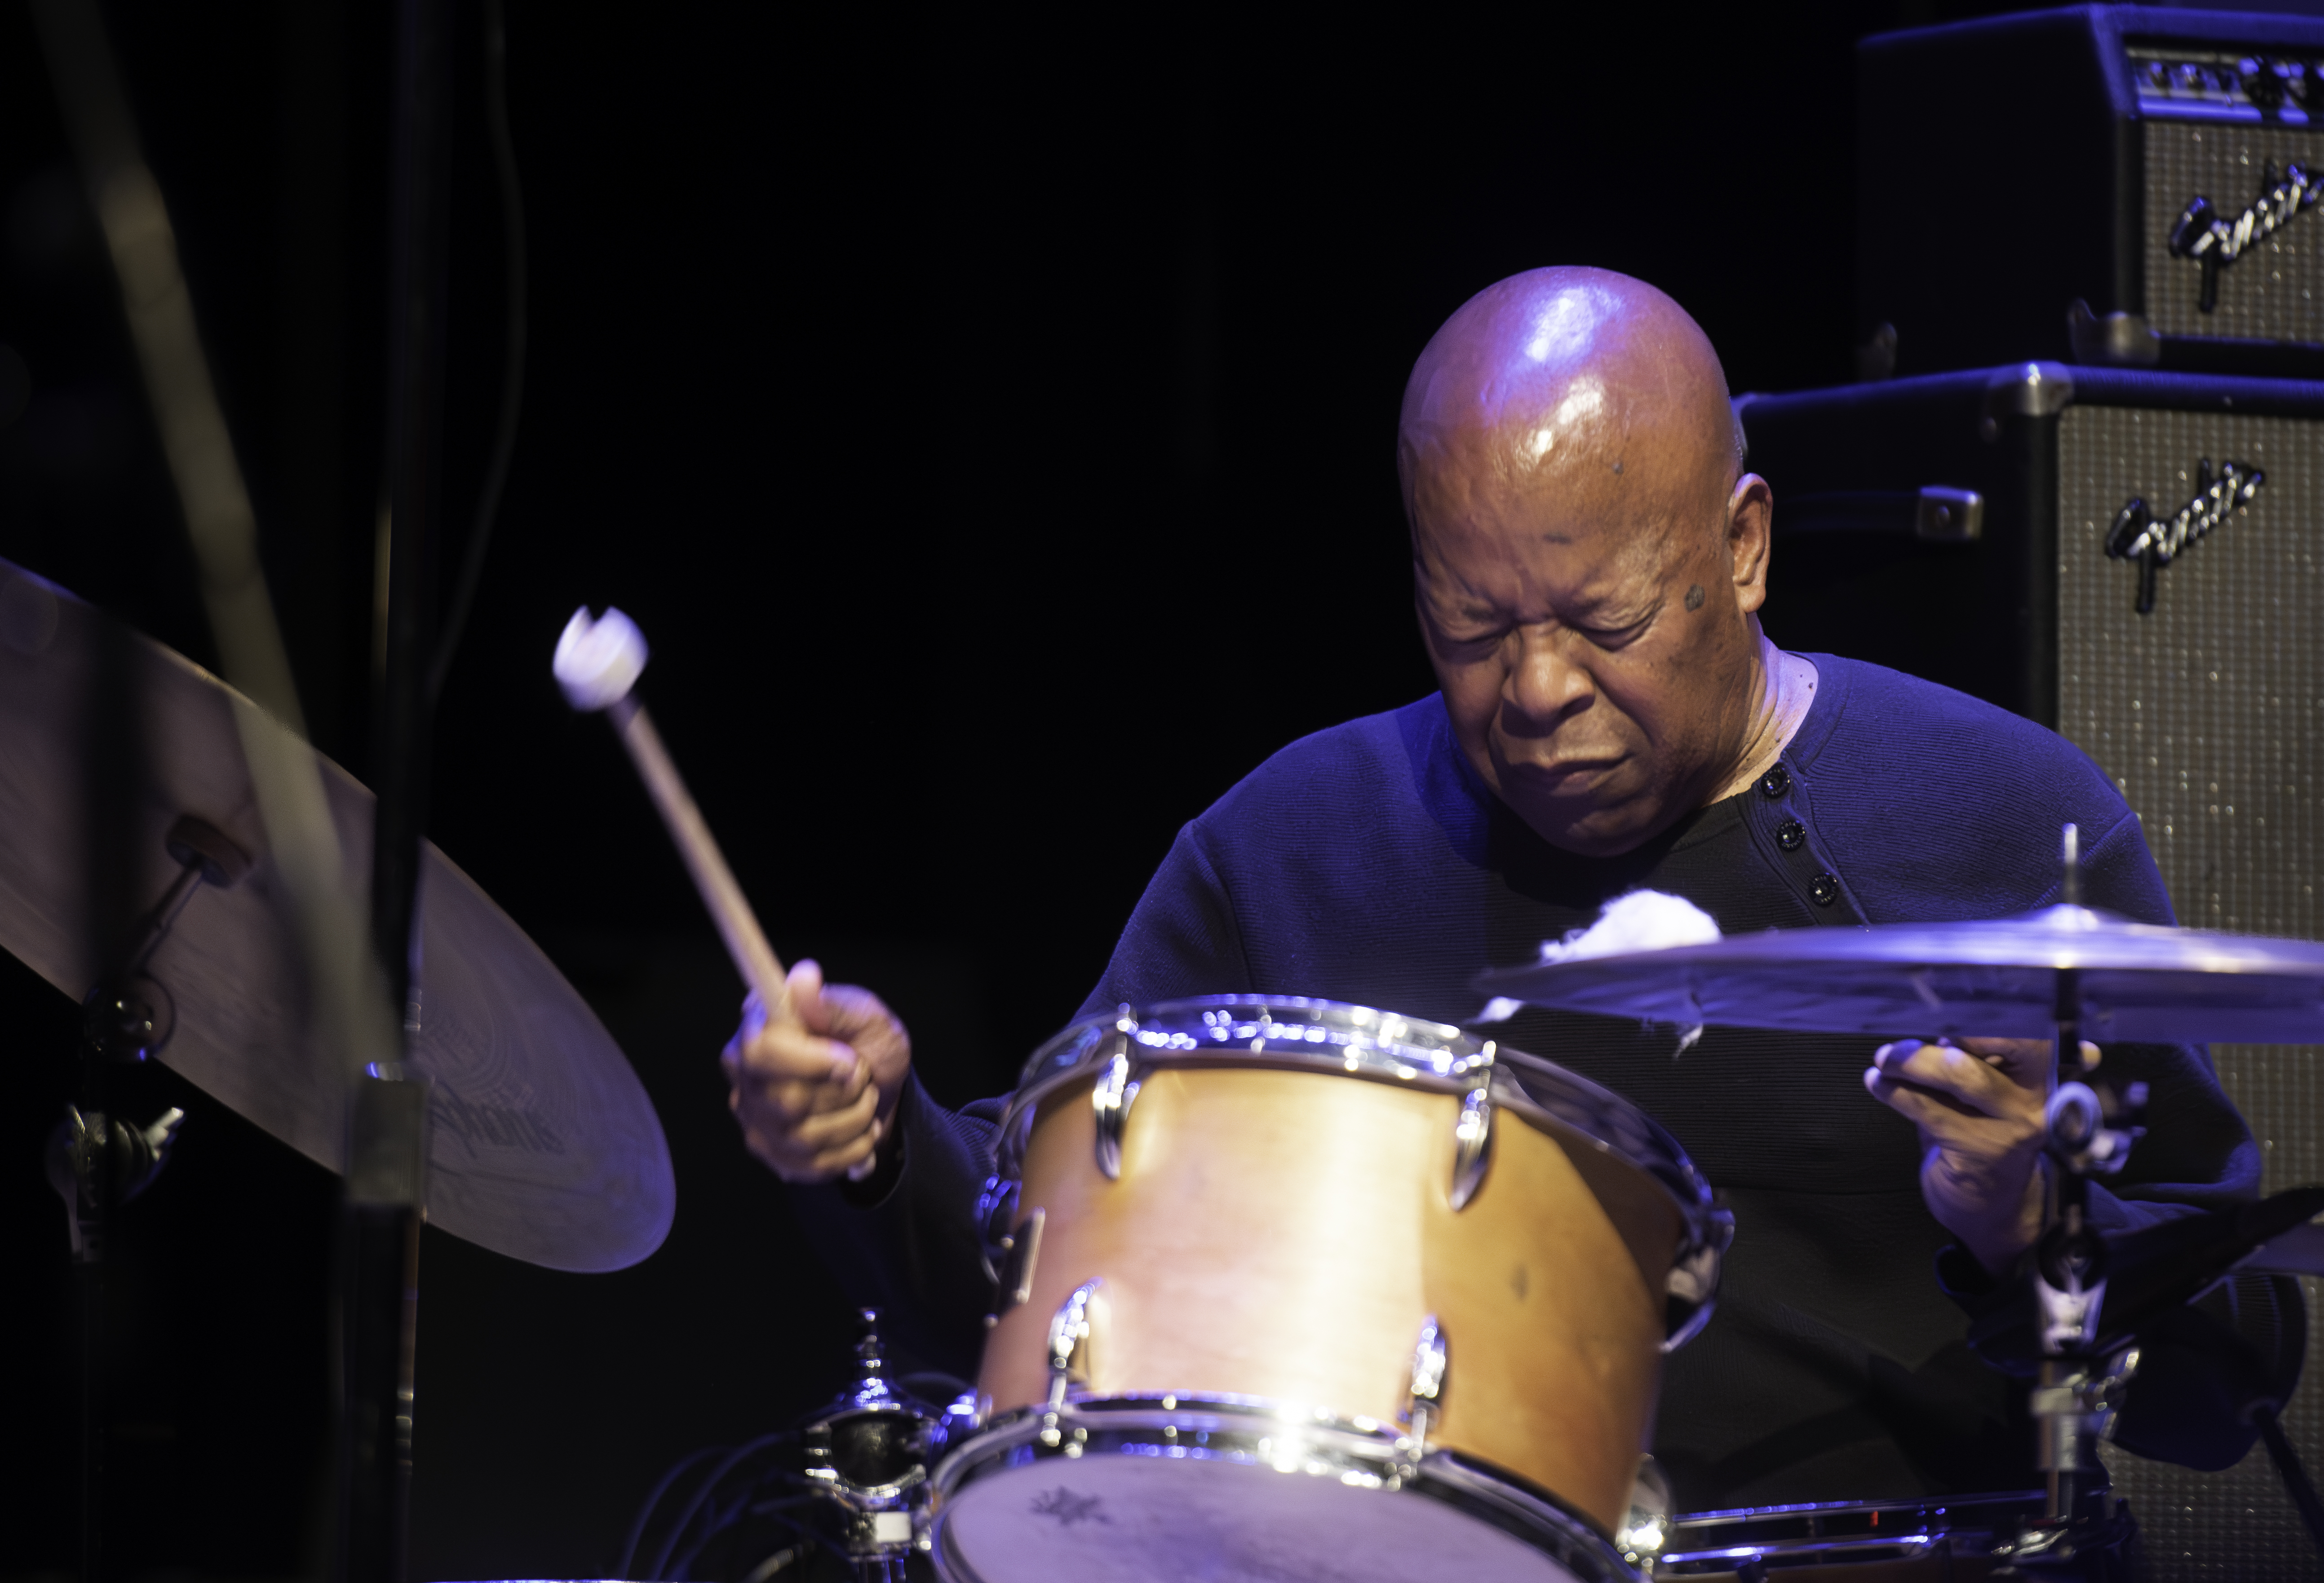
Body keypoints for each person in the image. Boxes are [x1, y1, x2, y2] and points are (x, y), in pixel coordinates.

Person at [722, 267, 2290, 1513]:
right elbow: (1032, 1281)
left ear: (1742, 548)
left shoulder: (2007, 827)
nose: (1537, 689)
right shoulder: (1293, 851)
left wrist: (2037, 1227)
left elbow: (2234, 1389)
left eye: (1603, 620)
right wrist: (872, 1145)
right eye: (1472, 627)